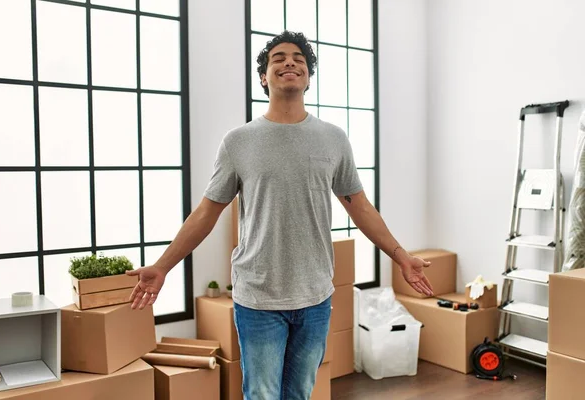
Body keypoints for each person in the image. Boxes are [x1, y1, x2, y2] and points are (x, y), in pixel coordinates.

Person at [127, 30, 434, 400]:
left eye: (299, 60)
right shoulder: (238, 141)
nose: (290, 62)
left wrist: (400, 256)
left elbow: (361, 207)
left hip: (315, 295)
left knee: (300, 393)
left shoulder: (333, 138)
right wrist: (162, 266)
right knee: (262, 394)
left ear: (308, 78)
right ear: (264, 77)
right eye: (279, 58)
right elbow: (207, 213)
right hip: (258, 297)